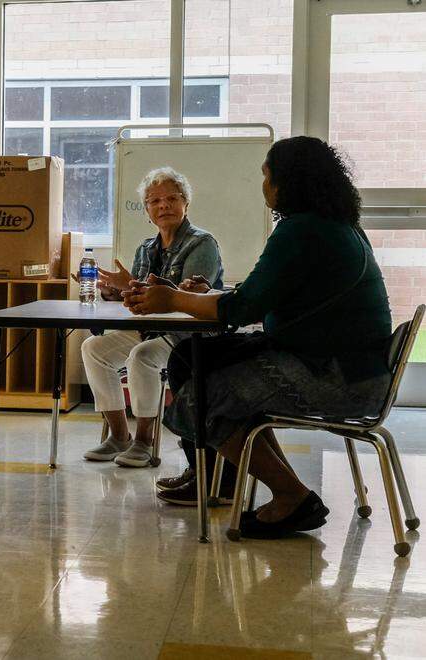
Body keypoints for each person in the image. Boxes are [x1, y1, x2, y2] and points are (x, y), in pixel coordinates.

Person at [123, 136, 392, 538]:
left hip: (336, 378)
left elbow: (239, 310)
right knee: (189, 359)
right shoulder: (336, 226)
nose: (263, 184)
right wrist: (202, 295)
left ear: (288, 181)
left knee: (204, 395)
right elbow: (256, 297)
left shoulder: (300, 231)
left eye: (267, 175)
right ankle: (225, 476)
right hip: (348, 366)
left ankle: (290, 495)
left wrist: (173, 297)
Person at [79, 168, 229, 496]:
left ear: (186, 203)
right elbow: (139, 296)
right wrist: (115, 292)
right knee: (93, 347)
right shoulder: (146, 248)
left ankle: (144, 442)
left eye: (172, 198)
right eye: (155, 201)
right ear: (147, 211)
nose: (164, 206)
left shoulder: (202, 243)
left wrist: (133, 287)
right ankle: (119, 436)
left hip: (186, 335)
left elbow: (188, 298)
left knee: (142, 356)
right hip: (149, 328)